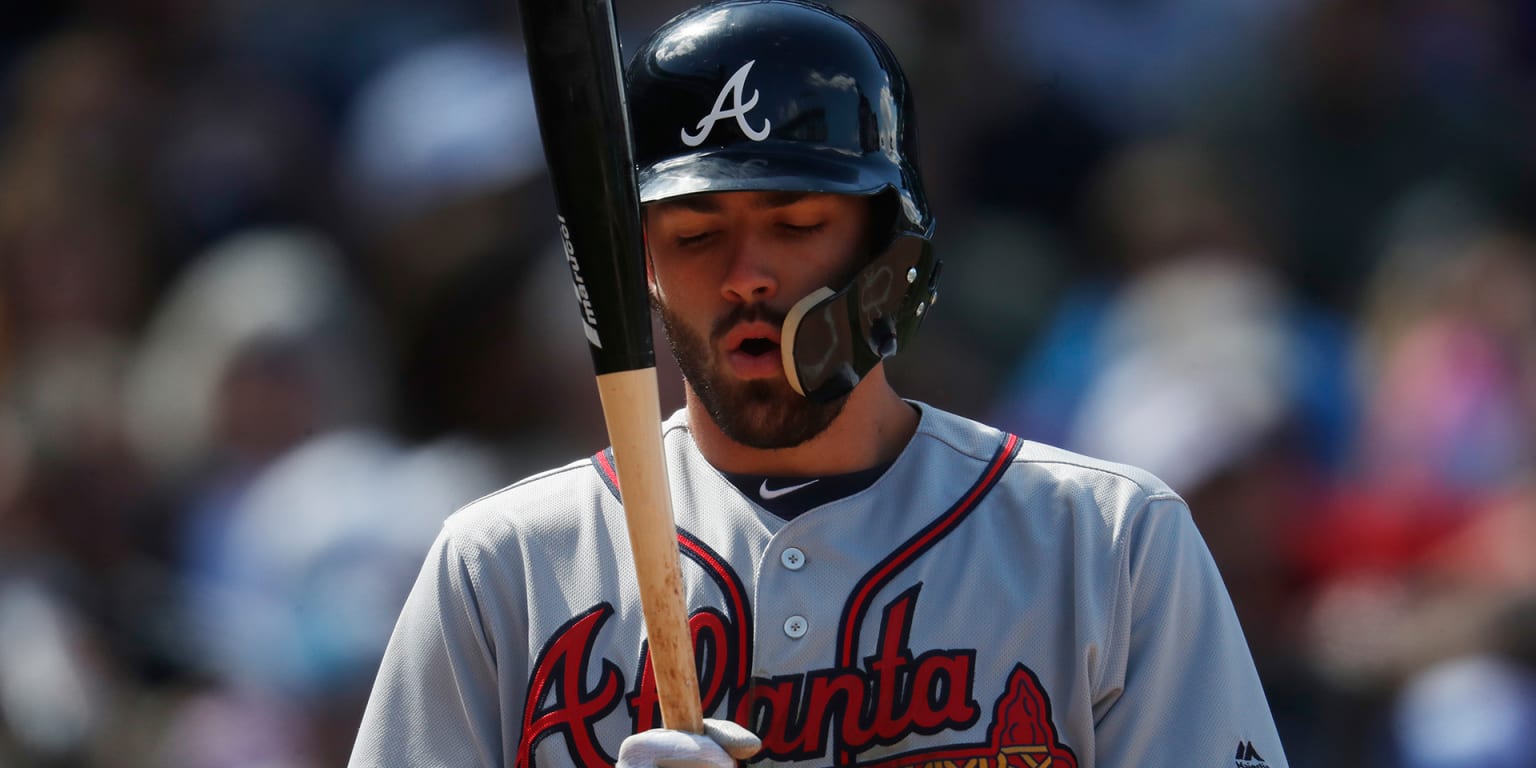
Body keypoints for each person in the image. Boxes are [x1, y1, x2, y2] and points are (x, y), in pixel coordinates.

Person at [348, 1, 1289, 766]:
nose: (747, 274)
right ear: (637, 264)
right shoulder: (503, 567)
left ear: (890, 251)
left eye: (797, 224)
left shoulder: (1106, 543)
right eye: (696, 233)